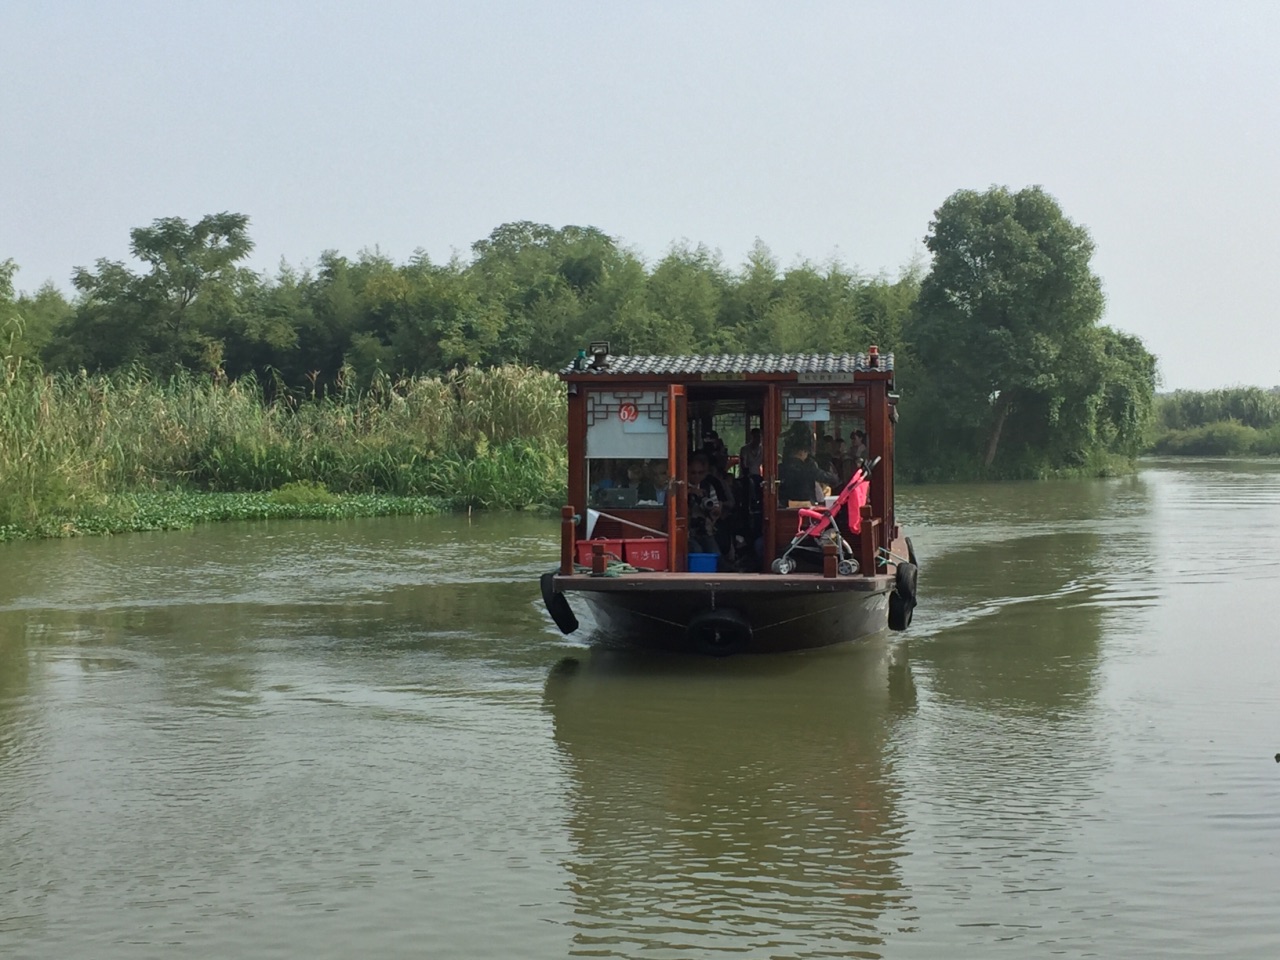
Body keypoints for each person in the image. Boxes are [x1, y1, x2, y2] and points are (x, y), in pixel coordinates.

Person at [686, 452, 727, 555]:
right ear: (687, 471)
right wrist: (689, 493)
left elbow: (716, 507)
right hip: (686, 531)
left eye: (700, 473)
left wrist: (715, 512)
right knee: (696, 551)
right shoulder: (681, 487)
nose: (697, 476)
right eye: (693, 472)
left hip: (704, 530)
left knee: (715, 554)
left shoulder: (708, 487)